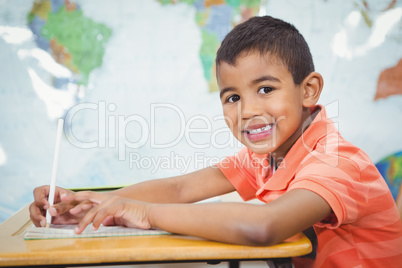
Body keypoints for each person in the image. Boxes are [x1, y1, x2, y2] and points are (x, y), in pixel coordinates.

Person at [29, 16, 402, 267]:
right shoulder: (267, 156)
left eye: (266, 89)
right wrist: (94, 206)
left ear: (309, 90)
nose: (248, 110)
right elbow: (180, 188)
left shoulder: (337, 162)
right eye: (233, 97)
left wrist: (143, 212)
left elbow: (266, 226)